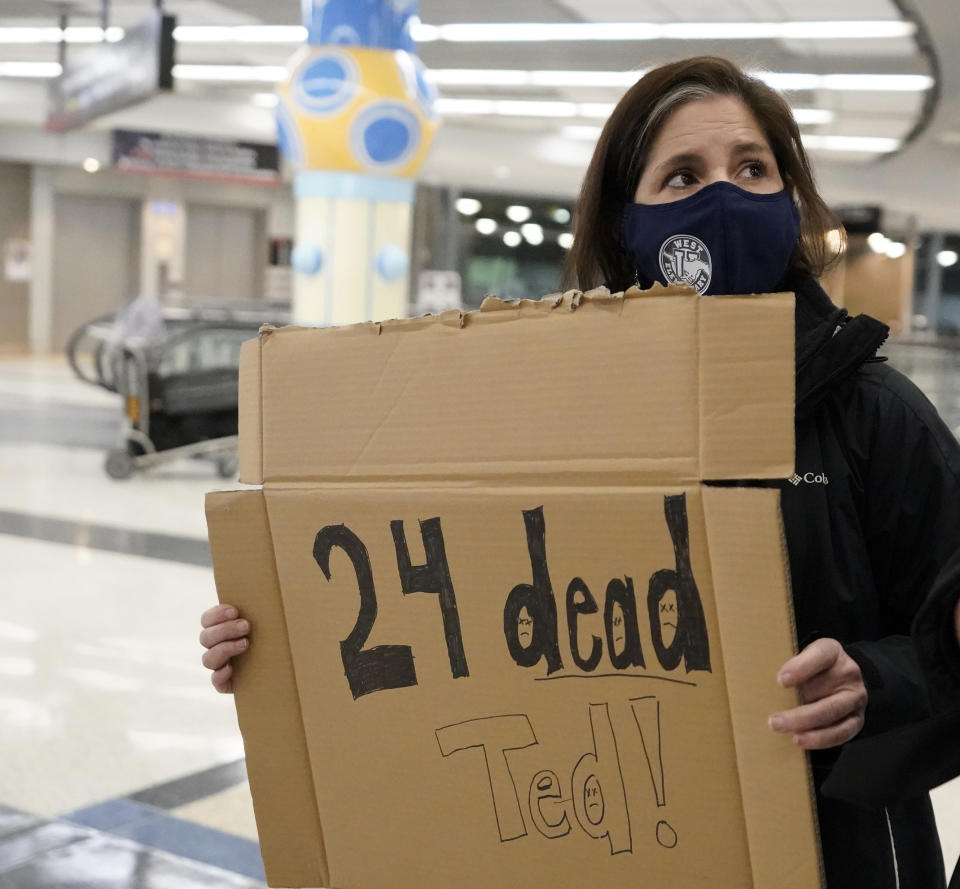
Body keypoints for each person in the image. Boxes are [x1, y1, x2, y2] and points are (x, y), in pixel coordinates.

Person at [202, 56, 960, 889]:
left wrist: (874, 683)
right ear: (626, 224)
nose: (726, 197)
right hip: (613, 840)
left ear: (791, 200)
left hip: (834, 852)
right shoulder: (556, 411)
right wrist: (284, 636)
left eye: (752, 168)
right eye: (683, 176)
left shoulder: (875, 414)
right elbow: (460, 602)